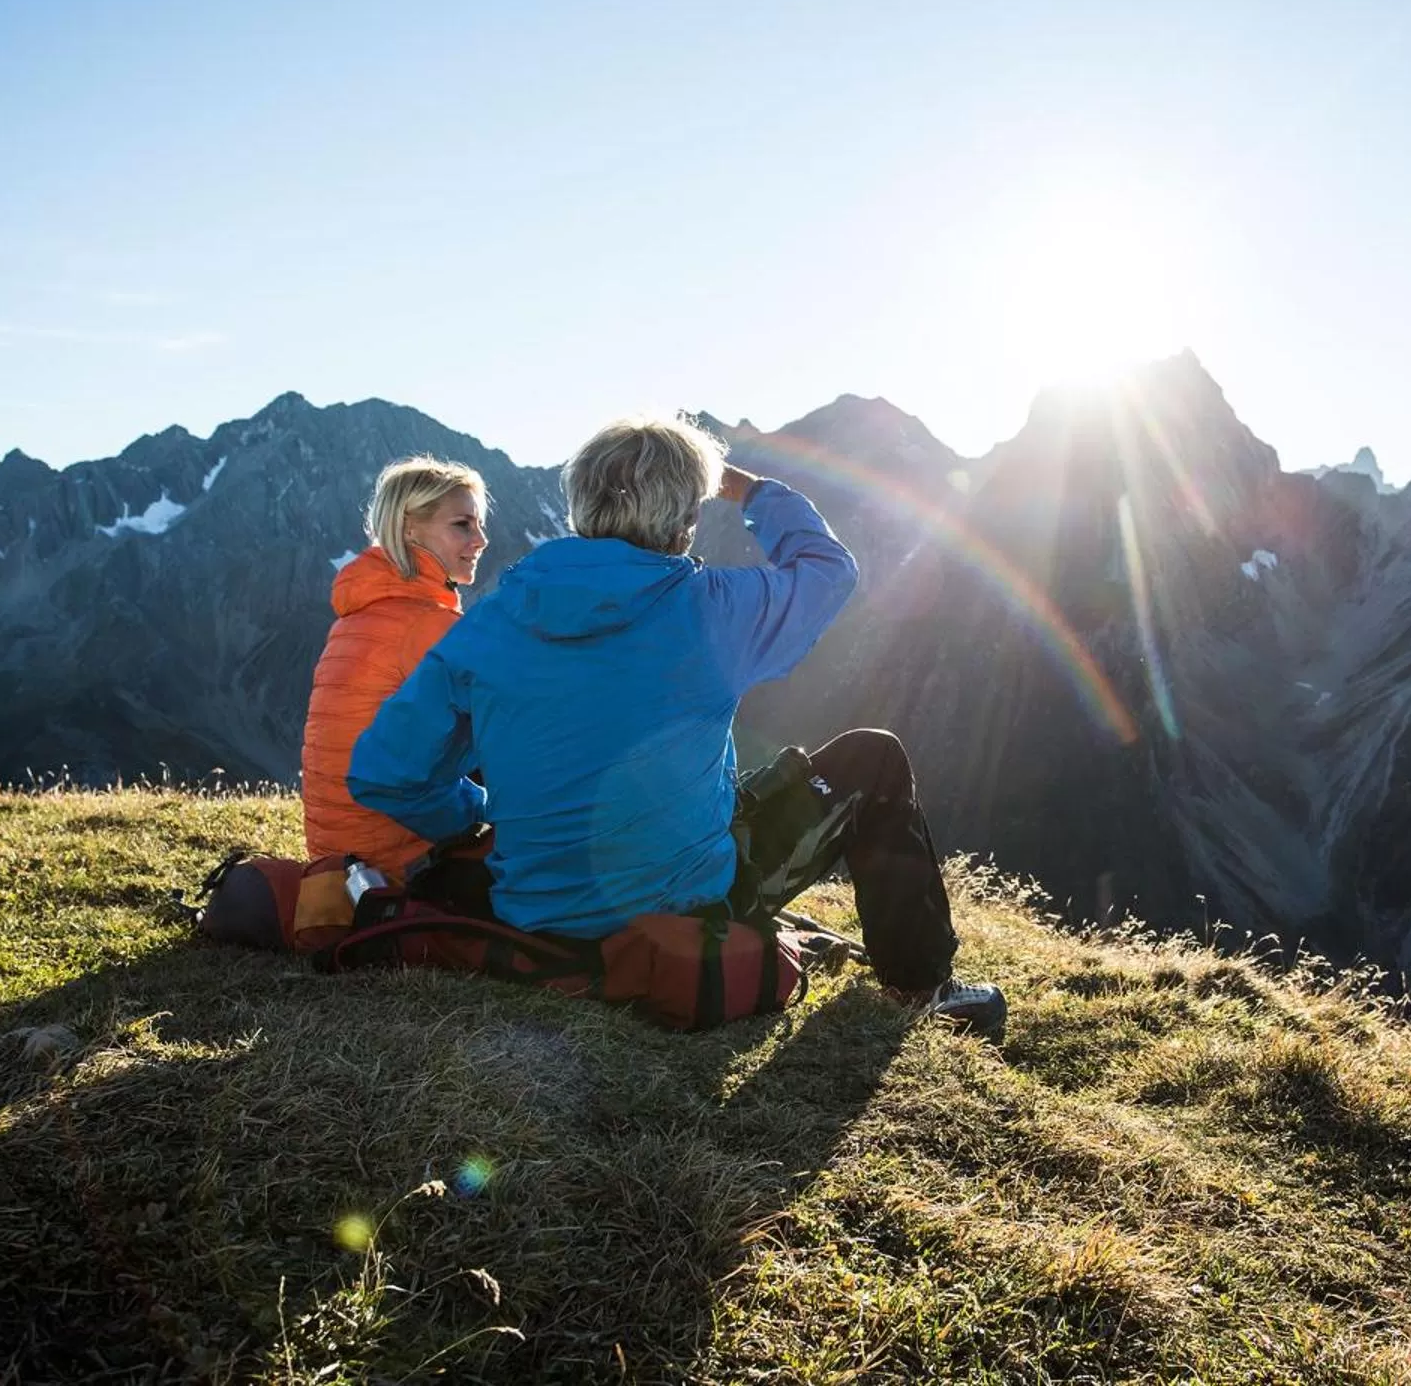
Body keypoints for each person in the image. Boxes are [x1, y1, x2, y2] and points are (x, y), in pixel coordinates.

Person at [347, 413, 1006, 1034]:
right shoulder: (713, 608)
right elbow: (828, 571)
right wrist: (750, 491)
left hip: (537, 911)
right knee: (873, 759)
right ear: (687, 518)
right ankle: (922, 989)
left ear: (581, 502)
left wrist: (471, 815)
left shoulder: (492, 619)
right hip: (685, 909)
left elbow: (385, 774)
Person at [301, 455, 488, 878]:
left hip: (334, 857)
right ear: (409, 529)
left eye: (479, 524)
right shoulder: (430, 624)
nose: (481, 540)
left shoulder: (353, 617)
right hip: (398, 858)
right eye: (462, 525)